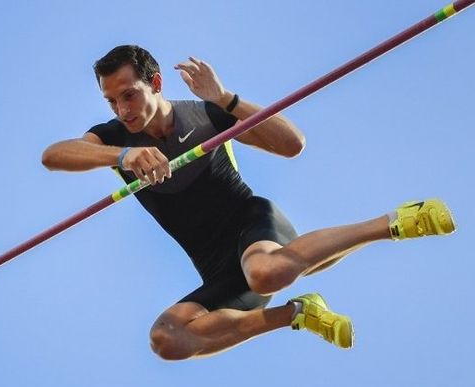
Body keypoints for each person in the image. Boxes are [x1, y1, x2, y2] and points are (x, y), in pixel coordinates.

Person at [42, 45, 455, 360]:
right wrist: (121, 155)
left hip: (252, 226)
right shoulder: (113, 136)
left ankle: (396, 222)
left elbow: (292, 144)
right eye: (112, 101)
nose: (121, 109)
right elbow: (54, 155)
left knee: (266, 271)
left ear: (155, 83)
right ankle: (297, 314)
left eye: (128, 95)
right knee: (167, 339)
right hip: (216, 266)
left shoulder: (205, 114)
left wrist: (225, 98)